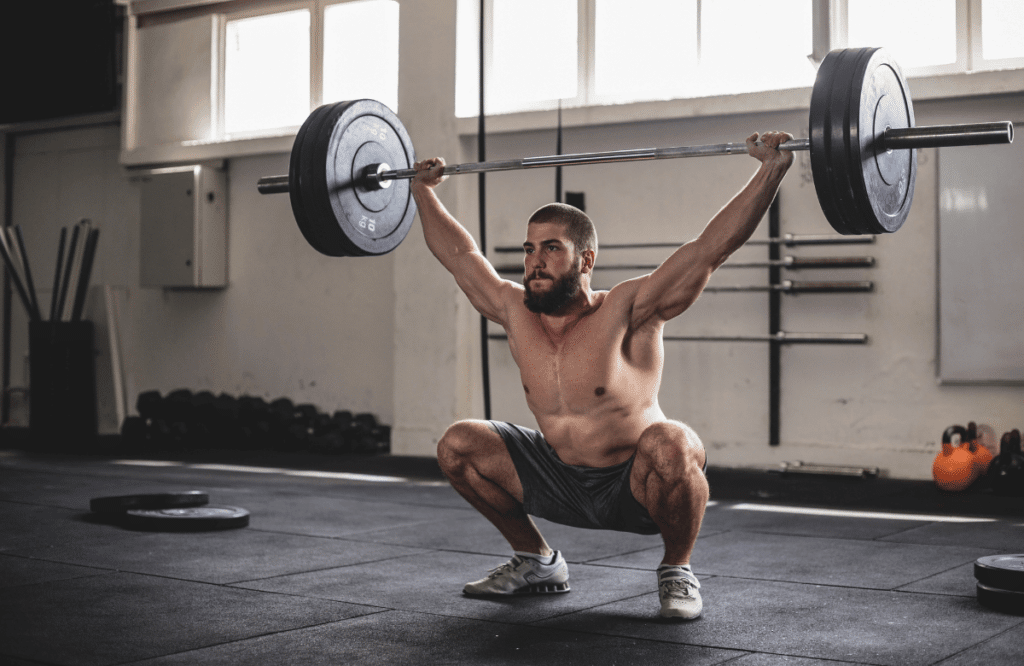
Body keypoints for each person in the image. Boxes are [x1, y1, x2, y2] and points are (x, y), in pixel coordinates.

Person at [410, 131, 794, 620]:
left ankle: (677, 569)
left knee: (674, 442)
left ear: (586, 260)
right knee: (459, 443)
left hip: (632, 486)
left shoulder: (629, 308)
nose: (535, 262)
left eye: (551, 249)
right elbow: (461, 258)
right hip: (556, 476)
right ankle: (538, 561)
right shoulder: (514, 309)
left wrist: (770, 170)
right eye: (530, 250)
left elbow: (708, 250)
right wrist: (423, 192)